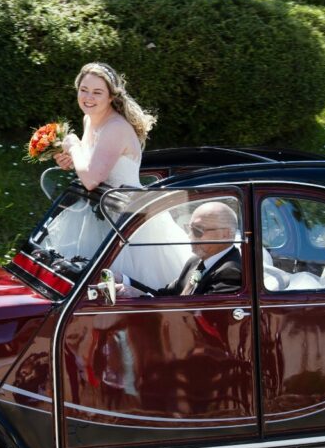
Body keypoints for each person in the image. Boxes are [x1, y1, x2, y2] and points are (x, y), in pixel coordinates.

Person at [45, 62, 190, 288]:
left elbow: (92, 179)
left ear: (111, 97)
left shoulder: (116, 127)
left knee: (122, 282)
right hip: (98, 209)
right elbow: (93, 166)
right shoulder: (89, 120)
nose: (88, 97)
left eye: (97, 92)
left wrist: (73, 146)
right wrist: (72, 161)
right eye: (83, 90)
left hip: (128, 216)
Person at [120, 201, 242, 297]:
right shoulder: (194, 262)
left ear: (225, 234)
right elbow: (165, 296)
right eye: (189, 229)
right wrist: (124, 281)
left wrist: (139, 295)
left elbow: (197, 316)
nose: (190, 236)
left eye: (198, 231)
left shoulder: (231, 272)